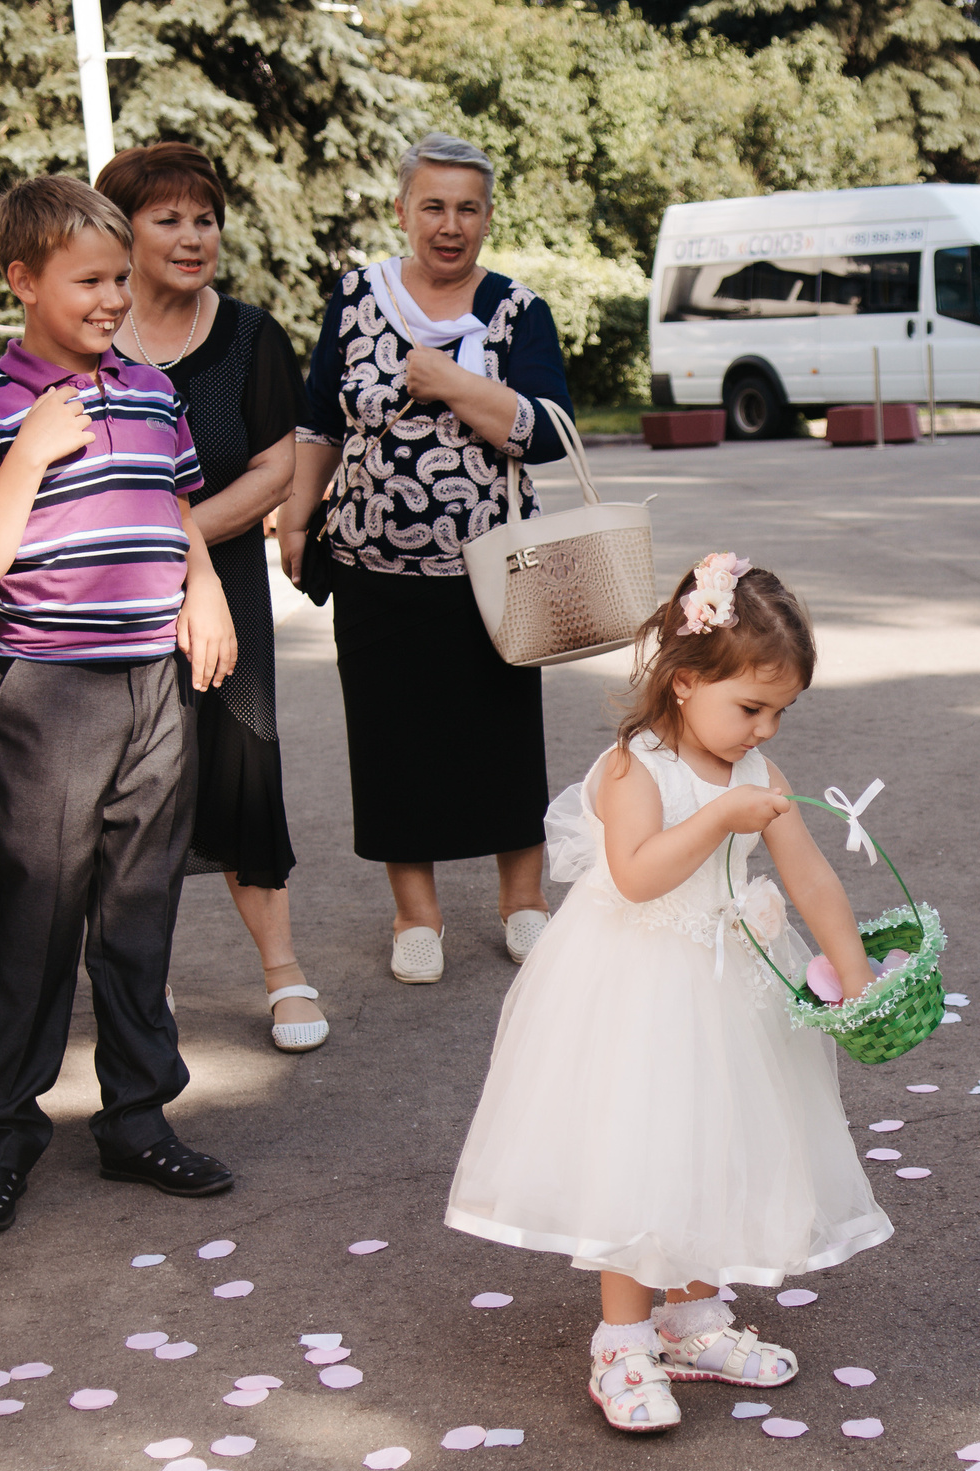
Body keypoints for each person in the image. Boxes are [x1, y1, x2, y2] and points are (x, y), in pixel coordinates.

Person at [445, 555, 895, 1433]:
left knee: (715, 1144)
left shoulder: (761, 777)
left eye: (779, 713)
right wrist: (717, 818)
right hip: (641, 984)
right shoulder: (634, 768)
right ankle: (621, 1339)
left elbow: (810, 879)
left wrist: (857, 973)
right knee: (644, 1151)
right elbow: (638, 874)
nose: (764, 731)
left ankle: (690, 1318)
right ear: (685, 683)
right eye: (750, 708)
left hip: (731, 988)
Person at [0, 176, 239, 1237]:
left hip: (155, 681)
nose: (116, 297)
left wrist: (202, 589)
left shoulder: (153, 391)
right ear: (23, 281)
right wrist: (28, 454)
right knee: (33, 918)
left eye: (121, 278)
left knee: (138, 911)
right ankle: (3, 1130)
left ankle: (137, 1119)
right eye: (92, 280)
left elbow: (180, 510)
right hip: (49, 694)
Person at [281, 133, 571, 988]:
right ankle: (417, 915)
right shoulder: (354, 299)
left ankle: (523, 903)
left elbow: (546, 431)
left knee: (504, 739)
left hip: (492, 571)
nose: (450, 225)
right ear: (403, 210)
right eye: (433, 206)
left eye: (467, 208)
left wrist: (448, 382)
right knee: (389, 742)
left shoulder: (518, 310)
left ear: (487, 216)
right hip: (372, 568)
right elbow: (317, 422)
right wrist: (297, 519)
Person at [97, 141, 326, 1054]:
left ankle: (281, 972)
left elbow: (278, 464)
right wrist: (163, 543)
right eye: (169, 219)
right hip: (110, 595)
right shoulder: (88, 333)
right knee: (125, 788)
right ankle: (140, 985)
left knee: (241, 767)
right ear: (122, 230)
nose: (194, 238)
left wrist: (186, 536)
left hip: (225, 585)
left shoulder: (250, 336)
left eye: (206, 219)